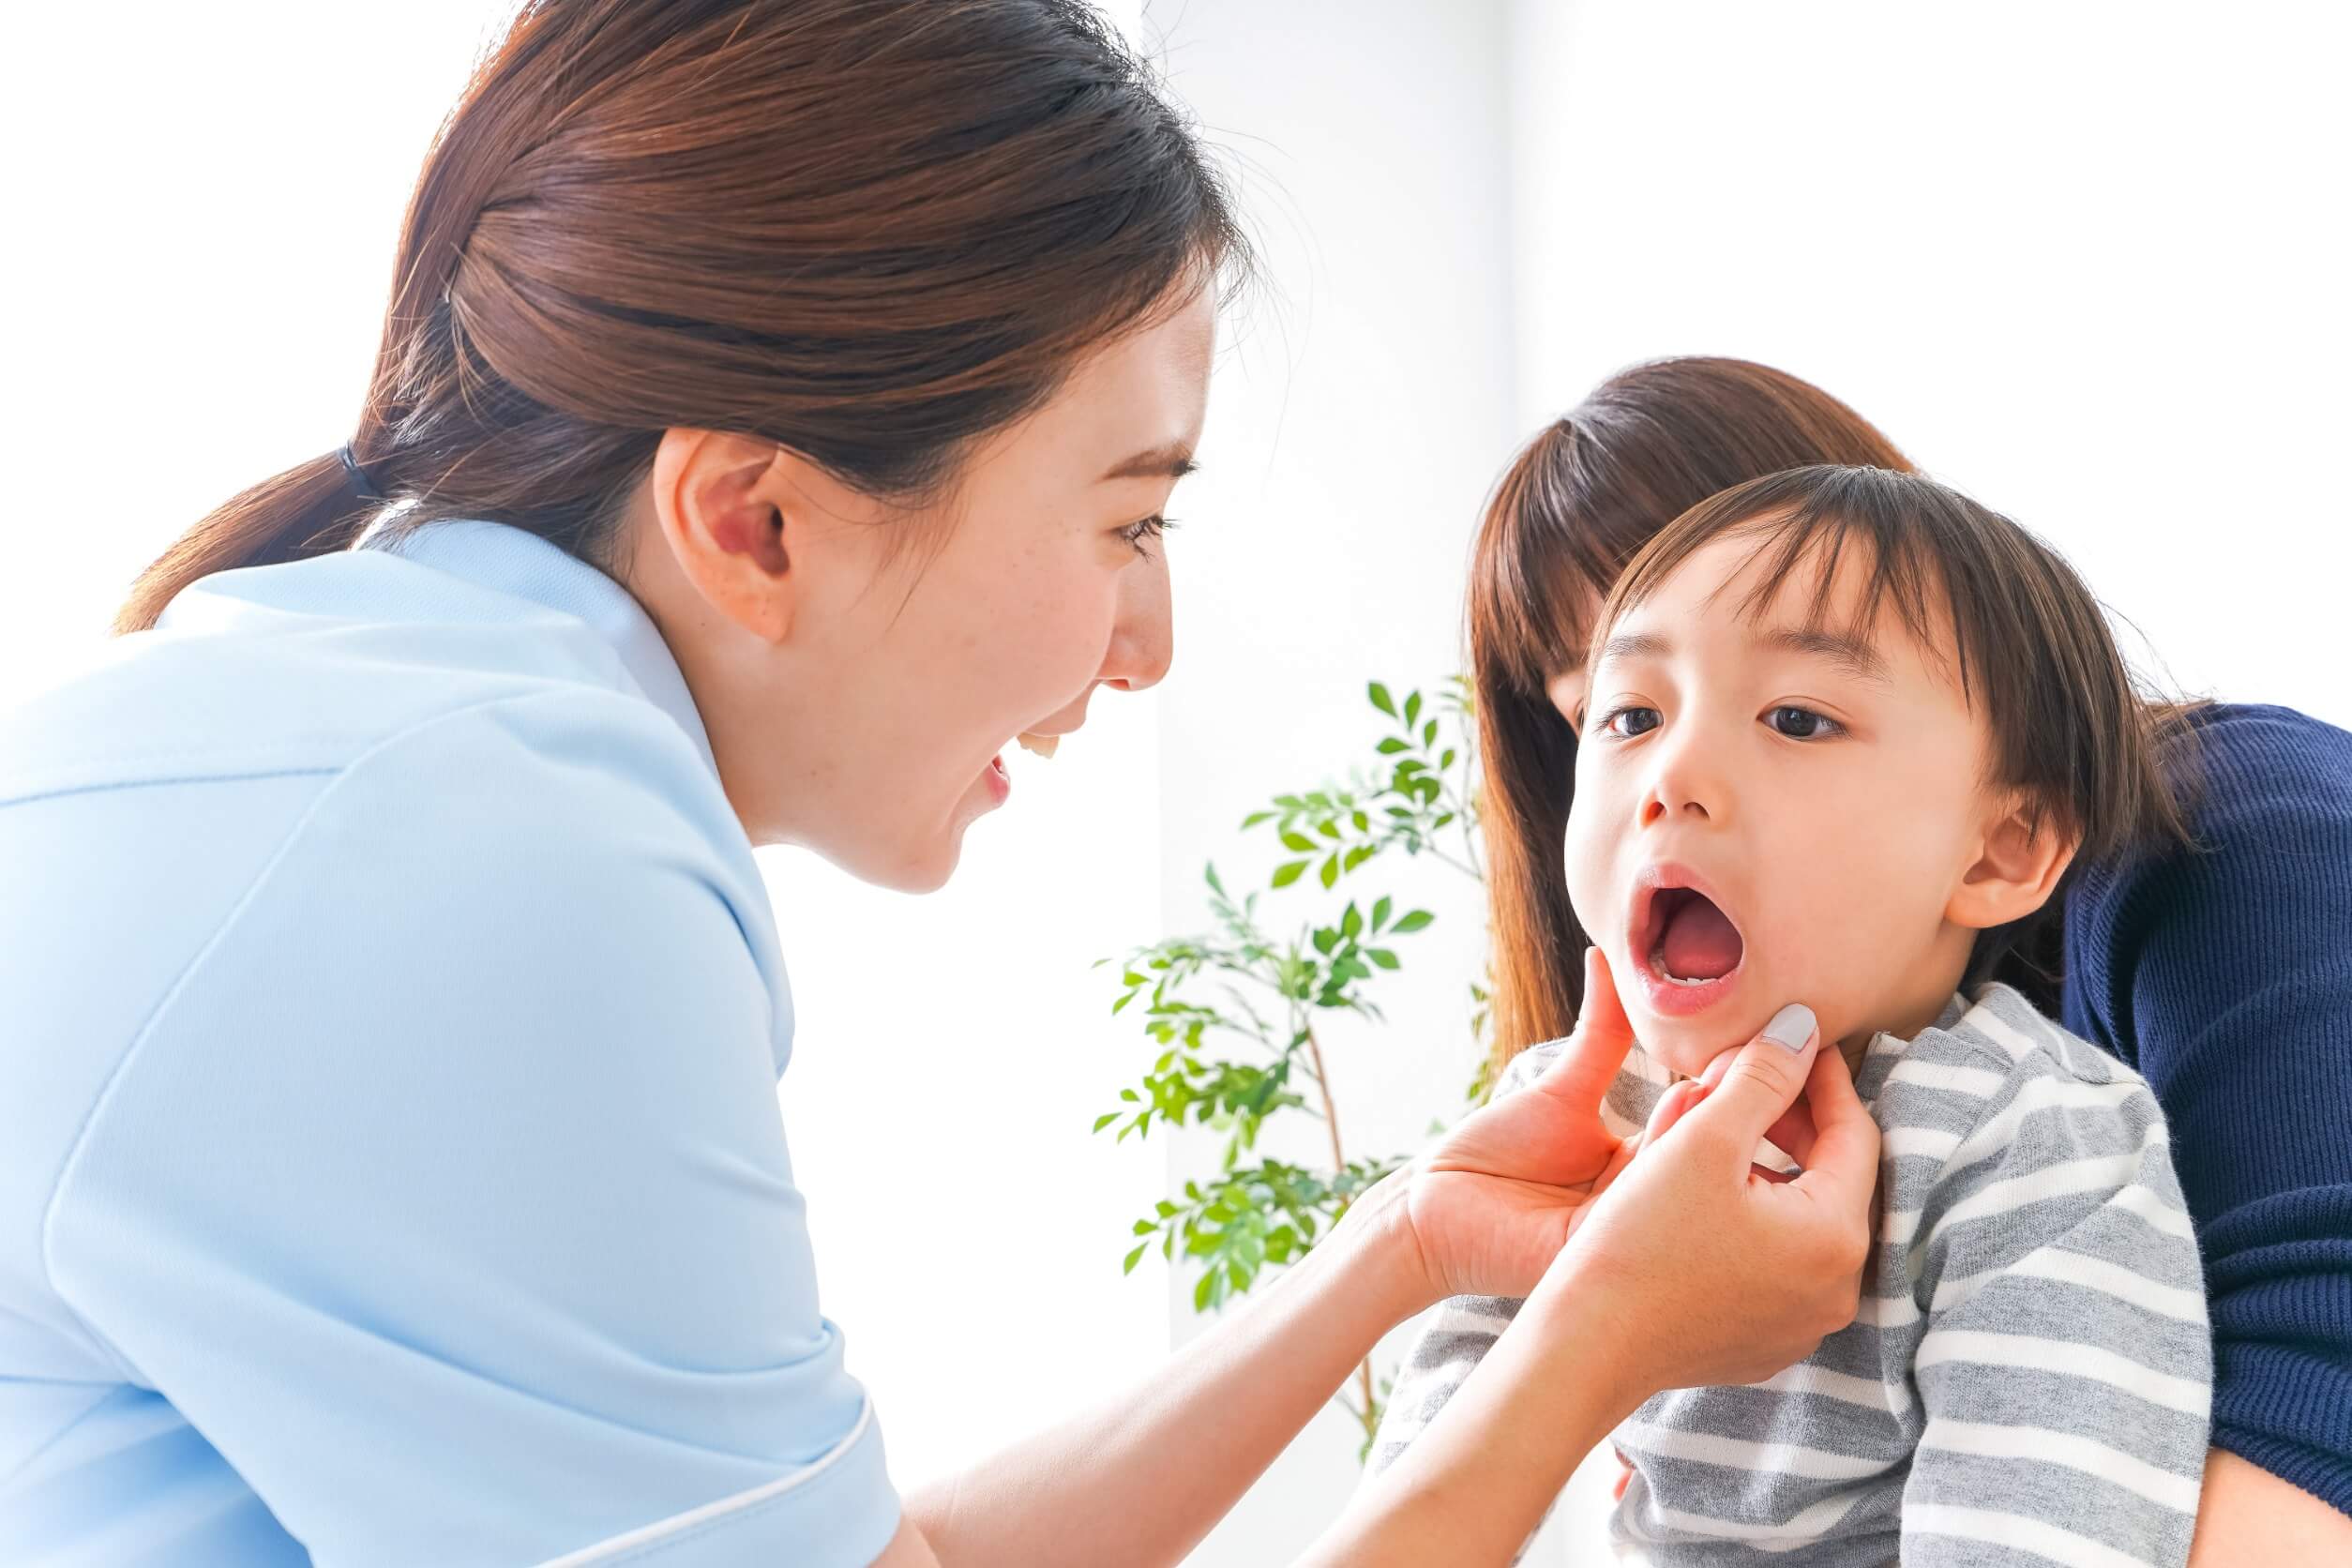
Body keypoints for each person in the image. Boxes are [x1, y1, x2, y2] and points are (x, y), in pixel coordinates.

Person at [0, 8, 1882, 1565]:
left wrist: (1404, 1248)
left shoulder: (383, 734)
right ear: (754, 518)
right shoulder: (482, 866)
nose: (1146, 643)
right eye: (1130, 517)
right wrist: (1589, 1341)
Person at [1431, 357, 2352, 1560]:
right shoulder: (1616, 1108)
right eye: (1624, 712)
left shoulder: (2203, 868)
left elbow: (2316, 1378)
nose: (1676, 782)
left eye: (1794, 712)